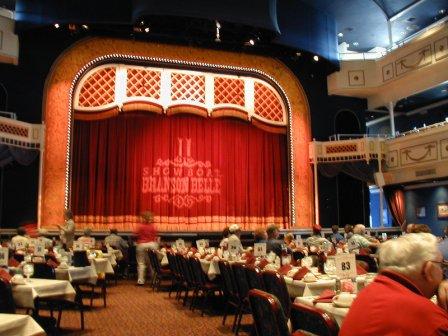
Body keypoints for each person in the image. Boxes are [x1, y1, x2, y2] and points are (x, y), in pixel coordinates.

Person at [340, 233, 448, 335]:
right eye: (441, 265)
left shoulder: (367, 292)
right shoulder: (430, 319)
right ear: (428, 270)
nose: (442, 271)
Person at [135, 211, 159, 285]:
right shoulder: (153, 226)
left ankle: (140, 280)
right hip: (152, 244)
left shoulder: (140, 226)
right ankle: (154, 280)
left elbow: (136, 234)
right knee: (152, 263)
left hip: (141, 245)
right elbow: (155, 236)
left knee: (141, 263)